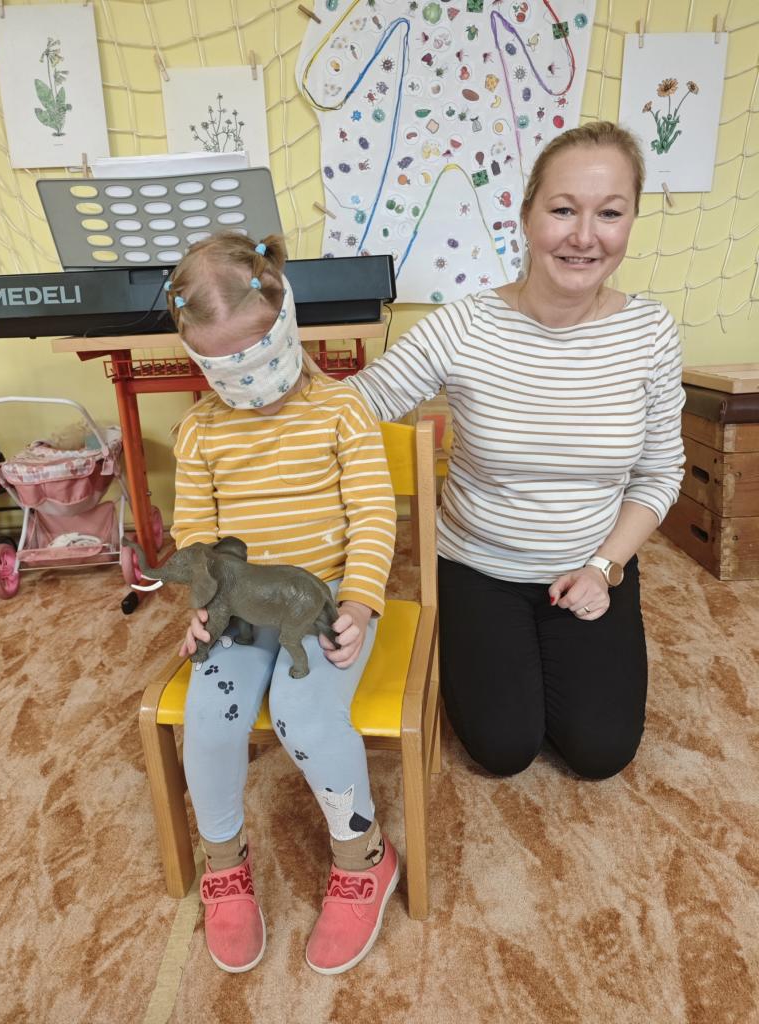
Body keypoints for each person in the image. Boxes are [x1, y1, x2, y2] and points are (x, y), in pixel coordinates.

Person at [348, 121, 685, 782]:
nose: (584, 236)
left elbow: (659, 472)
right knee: (503, 748)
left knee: (601, 752)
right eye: (563, 210)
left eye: (609, 213)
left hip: (591, 566)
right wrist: (264, 379)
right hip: (478, 566)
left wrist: (605, 568)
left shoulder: (650, 332)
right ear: (526, 216)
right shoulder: (464, 324)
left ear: (630, 222)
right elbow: (360, 404)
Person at [165, 232, 398, 975]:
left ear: (286, 321)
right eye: (224, 367)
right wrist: (202, 607)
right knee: (208, 717)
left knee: (305, 715)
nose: (251, 383)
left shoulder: (342, 410)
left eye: (258, 355)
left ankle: (363, 856)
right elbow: (196, 535)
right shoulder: (199, 431)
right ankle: (223, 861)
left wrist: (359, 602)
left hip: (320, 602)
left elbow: (374, 515)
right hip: (238, 610)